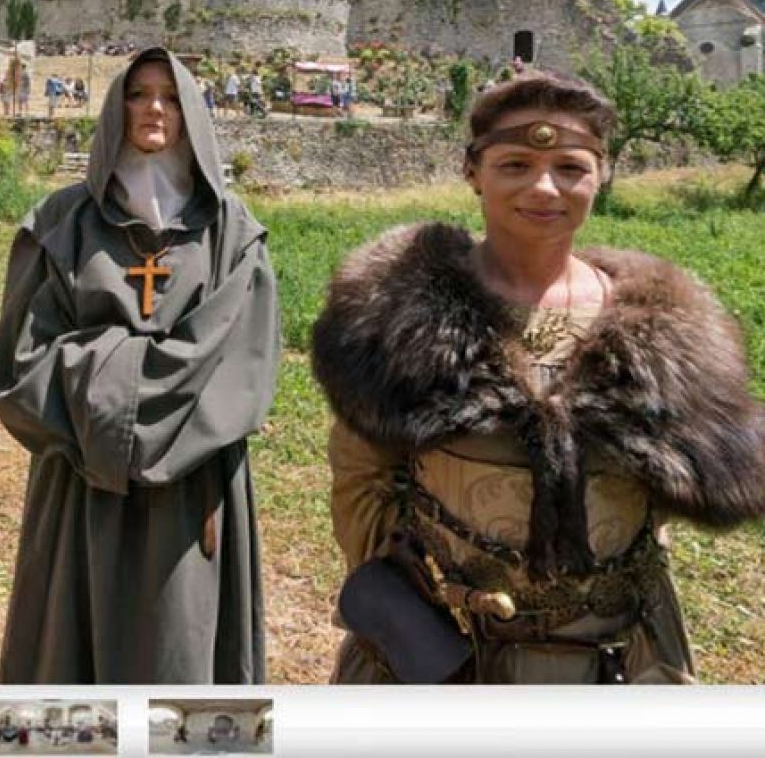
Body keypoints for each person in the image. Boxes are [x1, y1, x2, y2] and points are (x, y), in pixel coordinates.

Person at [312, 72, 765, 684]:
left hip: (620, 657)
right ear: (473, 171)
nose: (545, 187)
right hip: (449, 655)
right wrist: (421, 610)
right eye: (516, 164)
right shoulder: (395, 316)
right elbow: (362, 479)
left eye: (571, 167)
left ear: (601, 174)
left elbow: (683, 492)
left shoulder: (671, 338)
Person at [0, 47, 281, 682]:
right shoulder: (61, 223)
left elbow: (239, 363)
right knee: (74, 657)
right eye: (139, 94)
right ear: (116, 106)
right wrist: (127, 413)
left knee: (180, 649)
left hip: (191, 484)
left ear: (192, 112)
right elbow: (19, 363)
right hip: (82, 483)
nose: (154, 109)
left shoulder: (232, 232)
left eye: (171, 97)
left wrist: (105, 394)